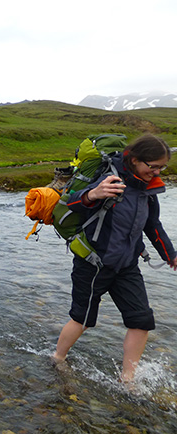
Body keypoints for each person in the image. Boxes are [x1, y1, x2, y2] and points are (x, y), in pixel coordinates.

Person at [52, 134, 176, 383]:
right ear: (135, 160)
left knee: (141, 320)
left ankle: (127, 380)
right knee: (82, 319)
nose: (158, 172)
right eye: (153, 167)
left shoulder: (146, 189)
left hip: (127, 264)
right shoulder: (110, 176)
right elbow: (74, 202)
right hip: (94, 262)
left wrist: (171, 255)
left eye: (162, 167)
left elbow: (152, 225)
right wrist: (94, 194)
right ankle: (57, 359)